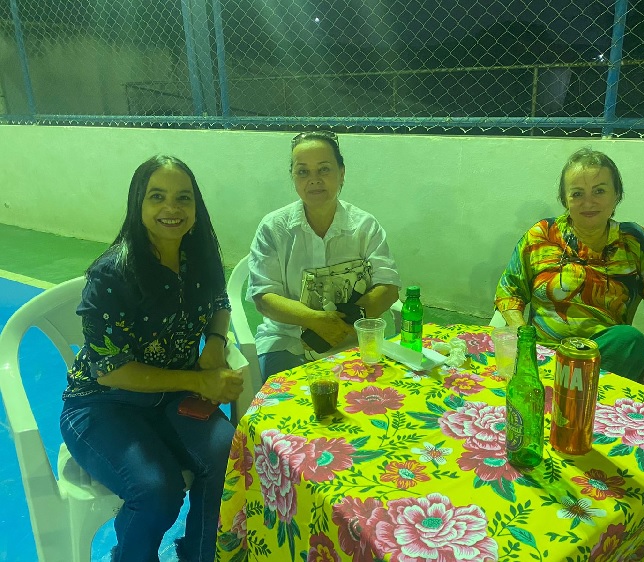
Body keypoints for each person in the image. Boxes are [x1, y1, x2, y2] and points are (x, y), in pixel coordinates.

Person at [59, 155, 244, 562]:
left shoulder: (198, 255)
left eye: (183, 198)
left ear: (196, 206)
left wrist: (214, 343)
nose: (171, 208)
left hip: (171, 397)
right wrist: (199, 381)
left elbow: (219, 300)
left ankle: (199, 554)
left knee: (229, 454)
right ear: (137, 204)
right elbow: (111, 371)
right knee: (157, 490)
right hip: (102, 405)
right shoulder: (111, 275)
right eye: (157, 197)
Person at [494, 148, 644, 380]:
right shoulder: (542, 235)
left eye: (599, 191)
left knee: (629, 341)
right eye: (577, 194)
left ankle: (568, 387)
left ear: (617, 196)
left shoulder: (633, 242)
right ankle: (562, 385)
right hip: (542, 355)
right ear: (565, 200)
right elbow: (509, 291)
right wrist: (523, 339)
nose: (588, 202)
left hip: (602, 360)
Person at [248, 130, 401, 381]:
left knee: (374, 398)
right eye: (303, 172)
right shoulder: (273, 228)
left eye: (324, 169)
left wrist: (342, 327)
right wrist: (316, 322)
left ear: (342, 173)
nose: (314, 180)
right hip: (287, 341)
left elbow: (388, 287)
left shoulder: (365, 226)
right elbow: (264, 297)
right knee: (291, 401)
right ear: (293, 176)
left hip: (353, 340)